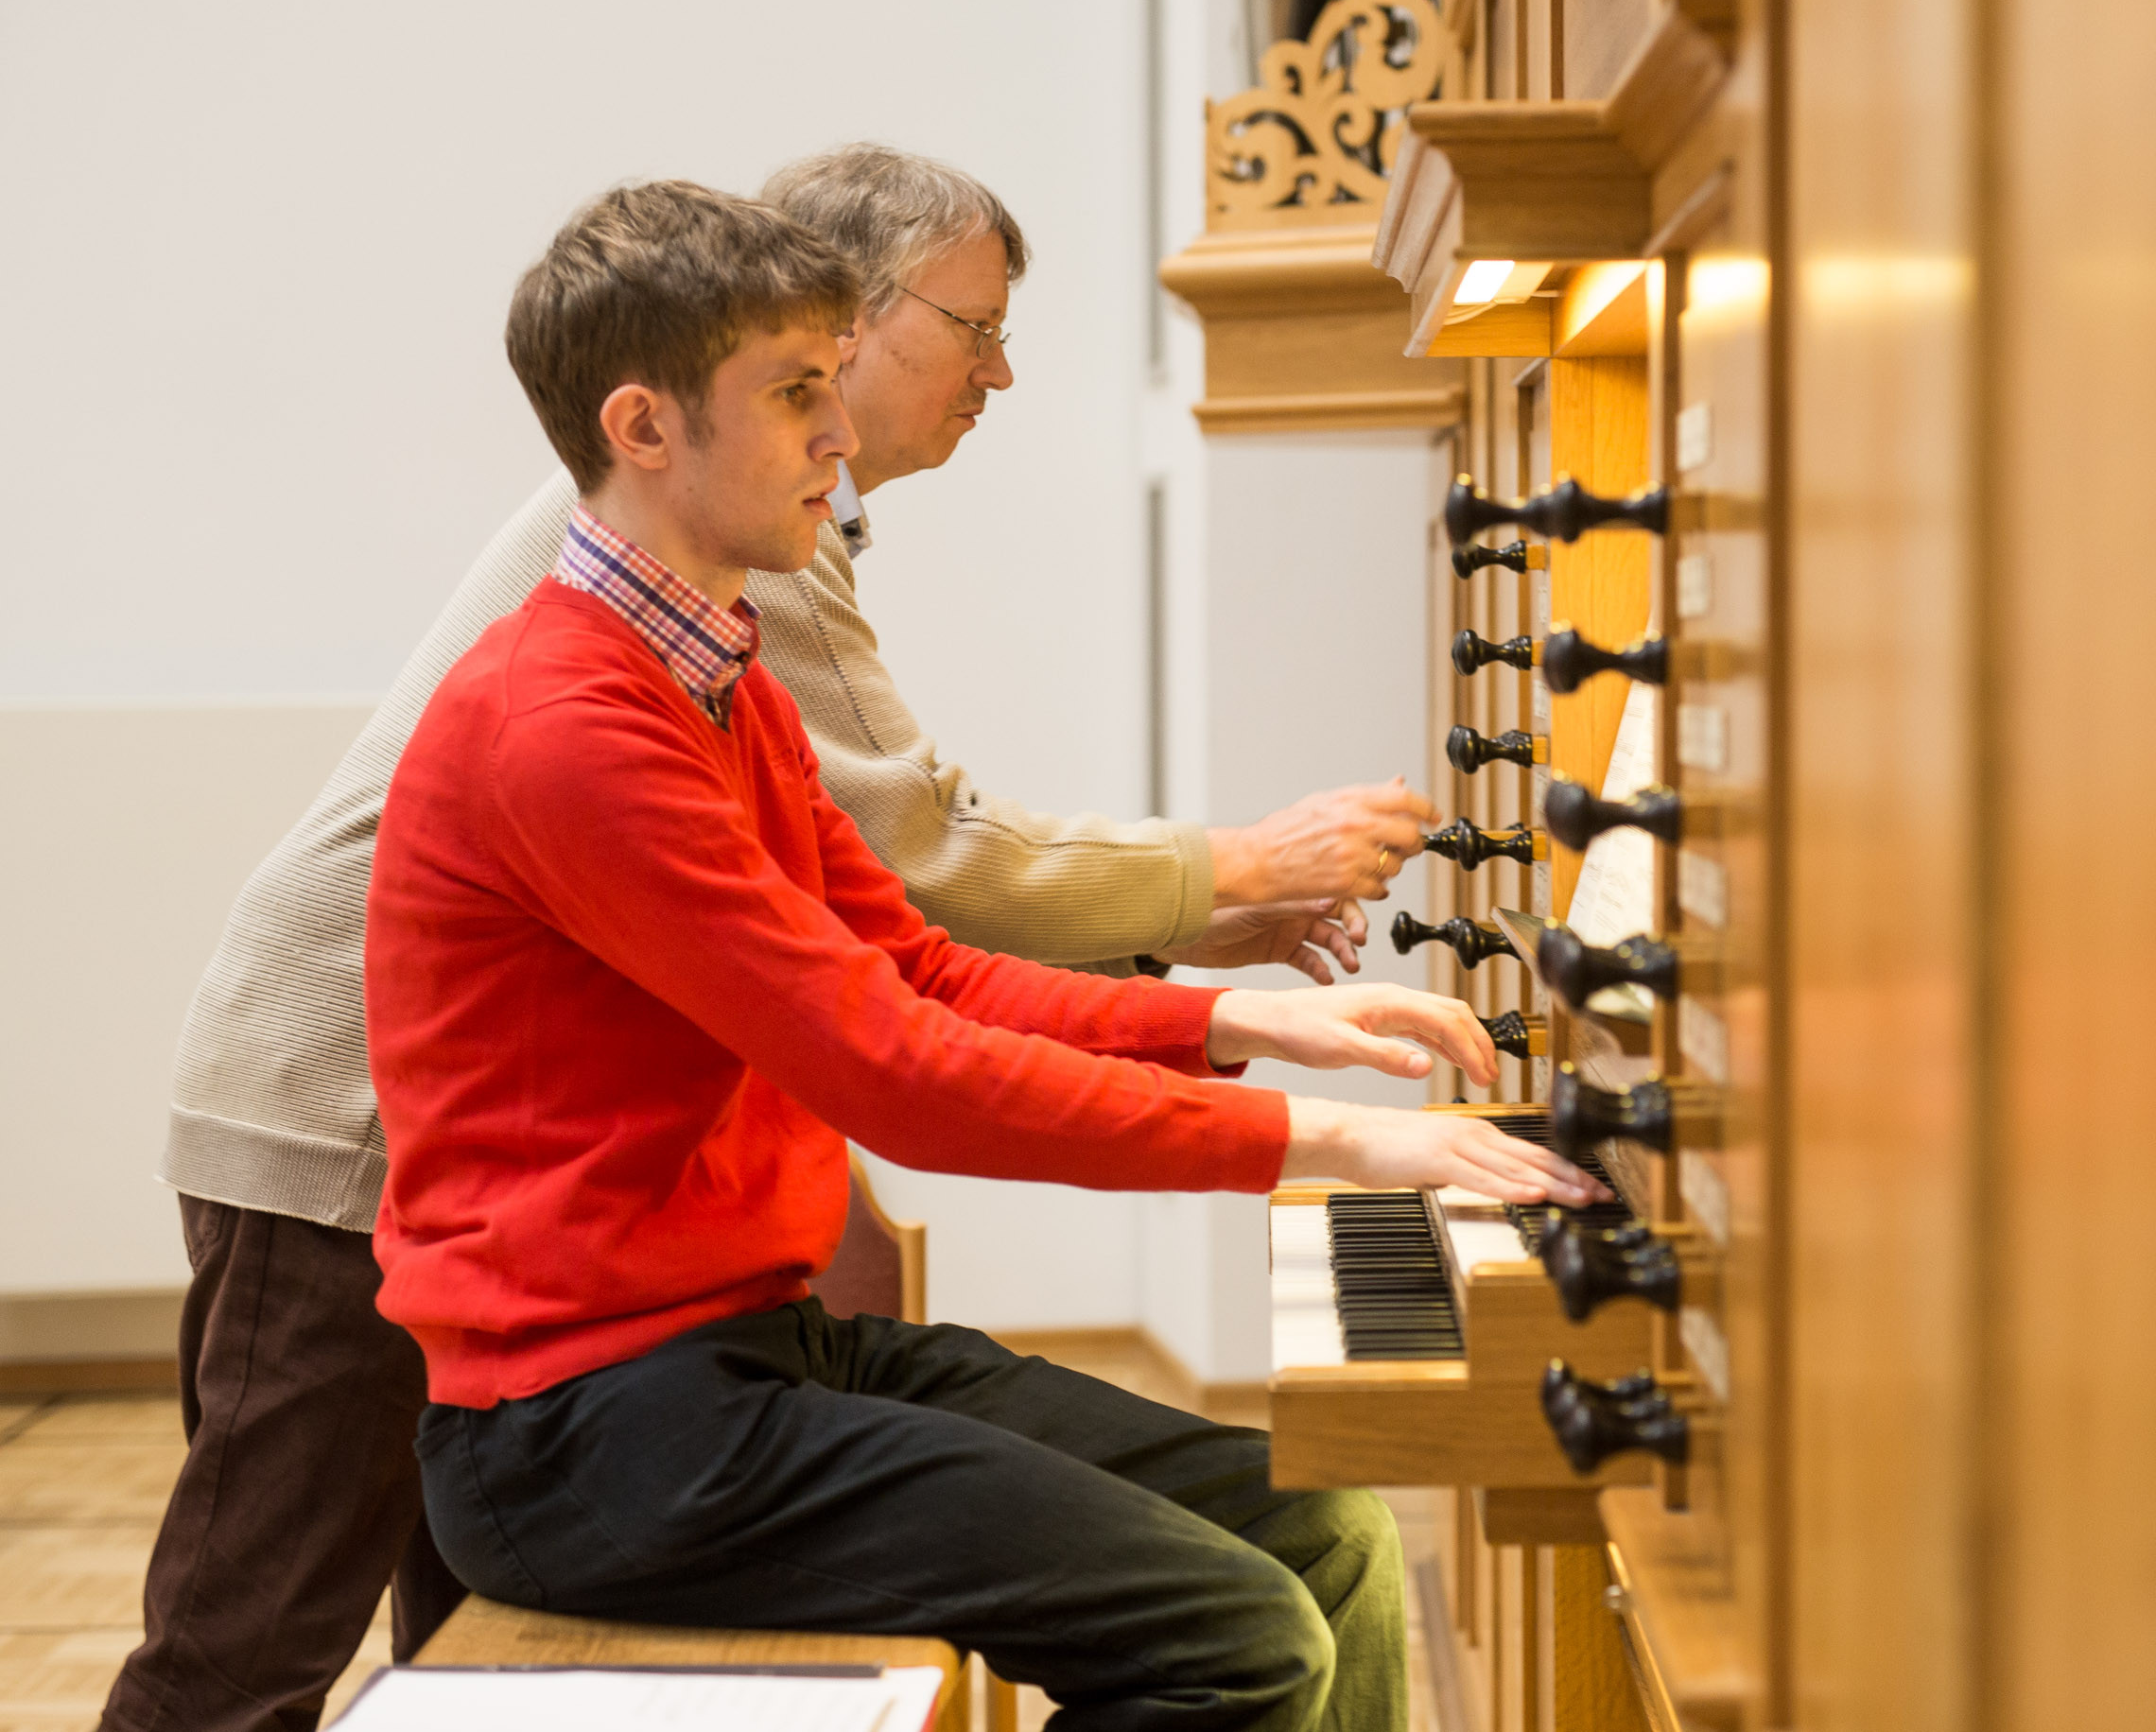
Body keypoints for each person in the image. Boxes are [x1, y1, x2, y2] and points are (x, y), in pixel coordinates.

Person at [103, 148, 1435, 1732]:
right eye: (814, 381)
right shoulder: (622, 663)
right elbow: (914, 945)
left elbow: (898, 959)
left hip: (637, 1303)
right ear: (663, 419)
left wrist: (1232, 1023)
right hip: (346, 1144)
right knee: (244, 1651)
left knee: (1320, 1538)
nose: (971, 382)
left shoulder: (719, 638)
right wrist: (1280, 1054)